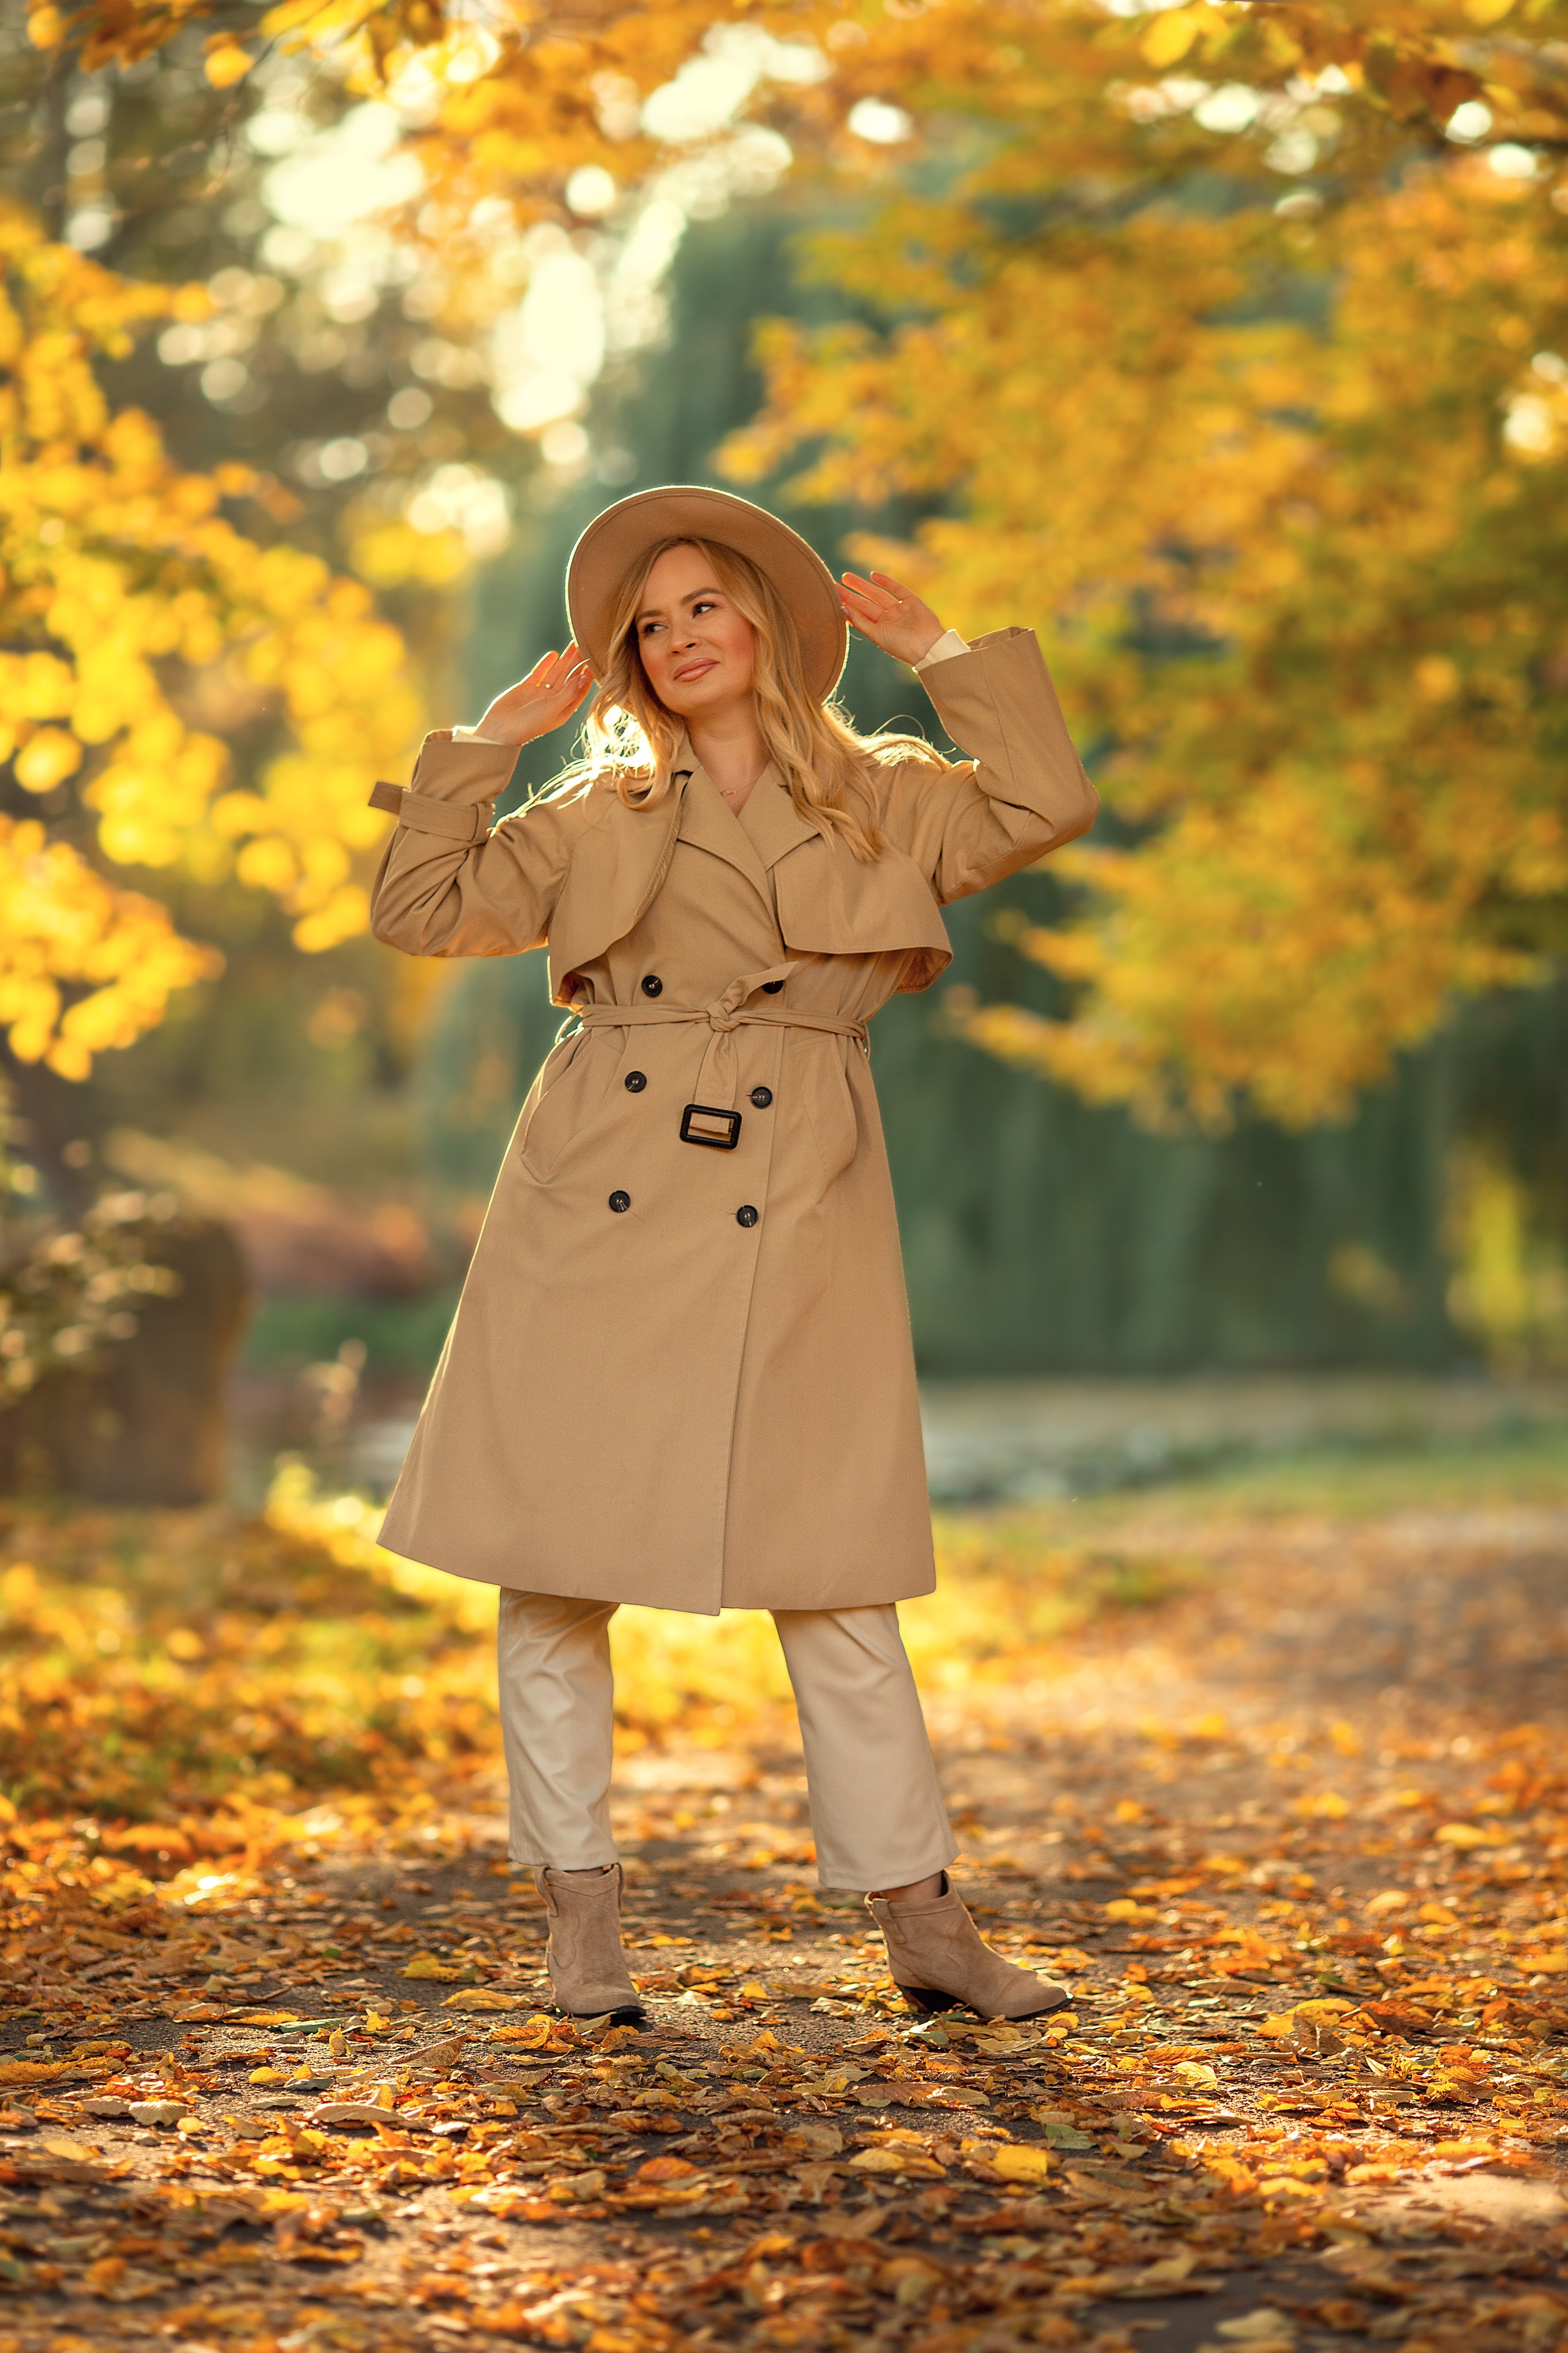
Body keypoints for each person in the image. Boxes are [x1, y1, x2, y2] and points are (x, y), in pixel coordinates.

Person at [369, 485, 1098, 2024]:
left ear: (767, 622)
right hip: (594, 1193)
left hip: (803, 1182)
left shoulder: (881, 795)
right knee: (553, 1574)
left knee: (835, 1574)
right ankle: (582, 1921)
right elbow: (417, 905)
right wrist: (491, 742)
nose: (678, 636)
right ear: (626, 664)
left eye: (703, 604)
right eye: (649, 622)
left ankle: (924, 1925)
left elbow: (1043, 804)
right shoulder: (587, 817)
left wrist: (945, 649)